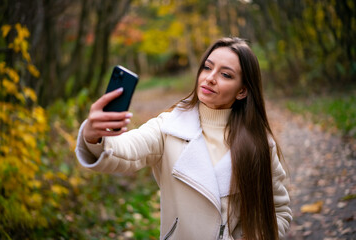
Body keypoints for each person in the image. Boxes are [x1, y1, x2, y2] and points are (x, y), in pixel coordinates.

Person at [75, 37, 292, 240]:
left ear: (242, 91)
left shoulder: (259, 143)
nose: (210, 78)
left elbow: (279, 211)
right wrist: (94, 136)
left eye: (225, 75)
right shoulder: (169, 127)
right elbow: (125, 151)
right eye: (207, 67)